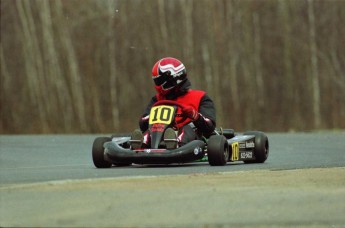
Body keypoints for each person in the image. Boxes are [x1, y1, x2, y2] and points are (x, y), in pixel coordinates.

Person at [131, 57, 216, 149]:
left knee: (187, 128)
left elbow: (209, 127)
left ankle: (174, 144)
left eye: (159, 81)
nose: (157, 84)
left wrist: (195, 116)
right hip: (159, 134)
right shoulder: (157, 99)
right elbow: (143, 124)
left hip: (190, 137)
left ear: (173, 79)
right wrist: (150, 117)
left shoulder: (200, 97)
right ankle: (140, 145)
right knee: (149, 131)